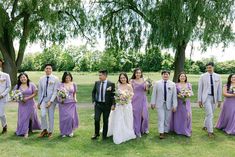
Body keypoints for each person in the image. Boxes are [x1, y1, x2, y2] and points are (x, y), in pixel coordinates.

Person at [107, 72, 136, 144]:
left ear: (126, 78)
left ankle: (127, 133)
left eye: (124, 77)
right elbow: (115, 95)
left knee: (127, 119)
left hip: (127, 105)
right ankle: (118, 133)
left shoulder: (129, 86)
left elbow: (132, 95)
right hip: (119, 105)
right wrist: (118, 99)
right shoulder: (118, 85)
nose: (122, 79)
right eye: (121, 78)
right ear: (119, 79)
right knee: (118, 119)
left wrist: (126, 98)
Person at [151, 70, 177, 139]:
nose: (165, 75)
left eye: (167, 74)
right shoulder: (157, 83)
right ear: (162, 75)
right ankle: (161, 132)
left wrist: (175, 105)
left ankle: (165, 131)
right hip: (160, 104)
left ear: (169, 75)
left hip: (169, 104)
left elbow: (174, 96)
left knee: (167, 119)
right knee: (161, 118)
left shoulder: (173, 84)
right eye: (164, 74)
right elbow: (154, 94)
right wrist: (153, 103)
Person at [198, 62, 222, 138]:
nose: (208, 69)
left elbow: (219, 89)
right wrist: (199, 100)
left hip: (214, 98)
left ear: (213, 67)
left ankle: (205, 125)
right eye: (207, 68)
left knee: (210, 113)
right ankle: (210, 131)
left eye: (210, 67)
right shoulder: (202, 76)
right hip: (206, 97)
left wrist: (219, 100)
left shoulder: (218, 76)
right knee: (210, 114)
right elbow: (200, 88)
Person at [14, 73, 41, 138]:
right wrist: (20, 99)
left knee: (30, 117)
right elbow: (15, 95)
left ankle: (27, 131)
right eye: (21, 78)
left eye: (24, 77)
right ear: (19, 79)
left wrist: (27, 98)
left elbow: (35, 93)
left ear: (27, 78)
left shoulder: (31, 84)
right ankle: (23, 130)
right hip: (22, 104)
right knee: (23, 117)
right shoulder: (17, 86)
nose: (23, 79)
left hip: (30, 103)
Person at [91, 69, 115, 140]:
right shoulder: (97, 83)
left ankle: (104, 135)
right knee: (96, 119)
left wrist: (113, 104)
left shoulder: (111, 84)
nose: (99, 77)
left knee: (105, 120)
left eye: (100, 75)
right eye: (99, 75)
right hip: (98, 105)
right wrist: (94, 100)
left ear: (105, 75)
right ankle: (96, 133)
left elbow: (113, 95)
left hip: (107, 105)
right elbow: (93, 92)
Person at [37, 64, 59, 138]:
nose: (48, 70)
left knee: (51, 116)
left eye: (49, 68)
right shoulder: (41, 79)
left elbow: (55, 91)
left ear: (52, 70)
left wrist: (51, 101)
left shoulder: (55, 79)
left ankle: (50, 131)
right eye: (46, 68)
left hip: (52, 100)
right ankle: (44, 130)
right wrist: (39, 102)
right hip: (43, 100)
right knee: (43, 115)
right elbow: (40, 91)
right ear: (44, 69)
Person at [170, 72, 193, 137]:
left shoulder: (188, 84)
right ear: (179, 78)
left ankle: (186, 129)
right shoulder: (176, 85)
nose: (182, 77)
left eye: (184, 76)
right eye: (181, 76)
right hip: (179, 102)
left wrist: (187, 94)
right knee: (179, 116)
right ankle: (178, 130)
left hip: (186, 102)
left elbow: (191, 93)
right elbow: (174, 94)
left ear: (185, 78)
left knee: (187, 116)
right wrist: (179, 95)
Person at [57, 72, 79, 137]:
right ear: (64, 78)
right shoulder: (61, 84)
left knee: (70, 117)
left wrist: (75, 98)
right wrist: (62, 99)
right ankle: (63, 132)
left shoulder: (73, 84)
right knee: (63, 118)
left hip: (71, 103)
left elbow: (74, 93)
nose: (68, 79)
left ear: (71, 77)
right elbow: (58, 94)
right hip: (63, 103)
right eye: (66, 78)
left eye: (69, 78)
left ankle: (70, 131)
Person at [130, 68, 149, 137]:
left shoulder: (144, 80)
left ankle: (145, 128)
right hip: (135, 99)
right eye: (136, 73)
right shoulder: (131, 81)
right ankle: (137, 131)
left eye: (139, 73)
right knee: (137, 116)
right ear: (134, 74)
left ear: (141, 73)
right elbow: (130, 91)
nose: (138, 74)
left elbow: (146, 90)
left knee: (145, 115)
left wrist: (147, 84)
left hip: (143, 99)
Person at [0, 59, 11, 134]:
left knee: (1, 113)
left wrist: (2, 95)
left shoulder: (6, 75)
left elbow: (9, 87)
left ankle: (4, 125)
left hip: (2, 98)